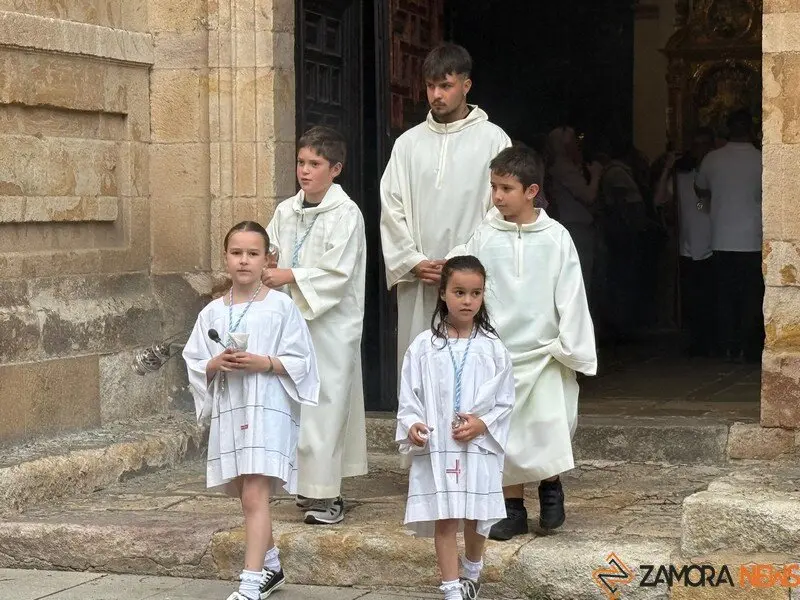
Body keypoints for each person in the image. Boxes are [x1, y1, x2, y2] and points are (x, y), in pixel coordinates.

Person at [449, 146, 597, 541]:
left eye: (506, 189)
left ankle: (551, 489)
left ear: (532, 191)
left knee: (549, 425)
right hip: (499, 351)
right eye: (494, 187)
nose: (497, 197)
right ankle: (511, 507)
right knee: (504, 432)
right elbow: (463, 273)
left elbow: (571, 292)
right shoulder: (484, 234)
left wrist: (573, 346)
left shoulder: (556, 238)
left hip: (546, 349)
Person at [183, 221, 320, 600]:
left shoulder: (280, 306)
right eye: (237, 253)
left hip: (268, 406)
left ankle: (249, 584)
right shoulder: (212, 311)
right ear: (226, 257)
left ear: (266, 259)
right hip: (232, 406)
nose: (244, 261)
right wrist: (215, 364)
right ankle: (271, 566)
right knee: (246, 493)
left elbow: (302, 359)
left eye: (253, 254)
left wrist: (264, 362)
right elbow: (195, 359)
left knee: (255, 496)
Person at [380, 42, 511, 380]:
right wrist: (412, 260)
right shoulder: (407, 144)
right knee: (420, 373)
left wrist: (458, 262)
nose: (436, 94)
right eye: (430, 86)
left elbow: (501, 209)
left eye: (445, 85)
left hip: (469, 278)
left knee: (471, 375)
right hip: (420, 279)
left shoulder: (493, 140)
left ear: (466, 85)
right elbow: (391, 205)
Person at [263, 125, 368, 524]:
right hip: (291, 323)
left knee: (326, 404)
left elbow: (337, 273)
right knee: (296, 403)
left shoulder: (347, 214)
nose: (305, 171)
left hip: (331, 325)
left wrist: (289, 276)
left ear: (335, 168)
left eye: (315, 164)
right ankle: (306, 488)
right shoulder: (286, 210)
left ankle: (329, 495)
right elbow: (269, 248)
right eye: (301, 163)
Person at [397, 255, 515, 600]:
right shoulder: (423, 347)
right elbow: (409, 396)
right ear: (443, 294)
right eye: (460, 292)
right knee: (445, 516)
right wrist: (413, 424)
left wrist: (482, 424)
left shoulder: (492, 348)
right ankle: (451, 587)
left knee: (477, 516)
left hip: (477, 445)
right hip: (439, 446)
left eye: (475, 293)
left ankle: (472, 570)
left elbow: (505, 400)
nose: (468, 301)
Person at [695, 109, 763, 363]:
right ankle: (747, 348)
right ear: (751, 130)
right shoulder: (761, 159)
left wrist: (708, 203)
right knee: (750, 298)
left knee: (724, 297)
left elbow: (700, 190)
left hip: (721, 239)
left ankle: (727, 347)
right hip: (753, 240)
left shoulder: (713, 159)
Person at [653, 128, 717, 356]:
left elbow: (703, 207)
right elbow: (660, 200)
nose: (701, 151)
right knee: (691, 300)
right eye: (697, 146)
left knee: (711, 299)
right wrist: (668, 169)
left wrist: (702, 203)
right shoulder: (682, 177)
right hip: (687, 246)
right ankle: (695, 342)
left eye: (705, 146)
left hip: (714, 244)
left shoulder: (714, 175)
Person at [546, 126, 603, 299]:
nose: (577, 146)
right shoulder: (563, 168)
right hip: (575, 228)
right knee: (580, 279)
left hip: (577, 226)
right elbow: (588, 196)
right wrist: (596, 175)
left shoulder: (567, 166)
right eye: (573, 141)